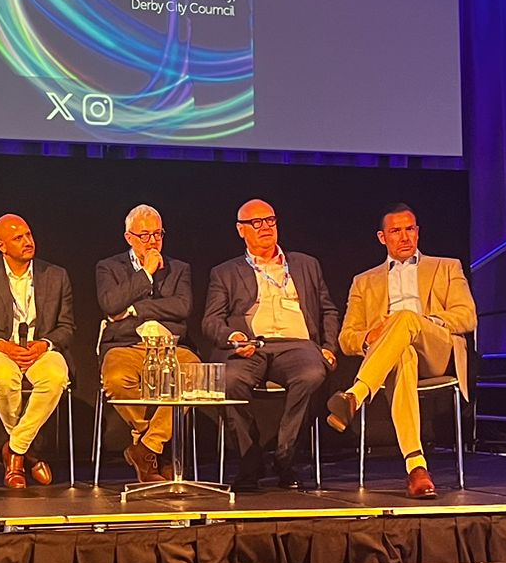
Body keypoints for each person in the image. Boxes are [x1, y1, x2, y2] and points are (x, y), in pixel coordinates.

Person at [326, 205, 478, 499]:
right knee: (404, 354)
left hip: (436, 350)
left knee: (405, 317)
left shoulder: (447, 267)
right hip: (393, 358)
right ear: (382, 237)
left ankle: (356, 395)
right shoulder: (364, 281)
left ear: (418, 232)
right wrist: (371, 336)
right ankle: (416, 467)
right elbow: (346, 338)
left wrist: (421, 321)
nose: (405, 237)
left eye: (410, 229)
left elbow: (467, 316)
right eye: (396, 231)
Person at [201, 199, 339, 490]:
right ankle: (250, 460)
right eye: (256, 223)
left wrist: (328, 346)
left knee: (312, 375)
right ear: (241, 230)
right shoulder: (225, 272)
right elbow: (211, 320)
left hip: (297, 345)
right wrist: (233, 338)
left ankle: (285, 457)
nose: (265, 227)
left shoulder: (306, 264)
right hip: (251, 347)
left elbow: (328, 310)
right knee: (229, 380)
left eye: (270, 220)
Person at [0, 216, 75, 488]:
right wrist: (1, 345)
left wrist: (44, 344)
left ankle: (14, 450)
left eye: (28, 235)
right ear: (2, 245)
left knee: (55, 377)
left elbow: (67, 328)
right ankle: (28, 452)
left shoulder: (56, 275)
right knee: (3, 377)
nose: (27, 242)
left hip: (40, 349)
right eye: (18, 238)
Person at [97, 204, 196, 485]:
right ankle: (154, 445)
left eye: (158, 234)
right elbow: (110, 304)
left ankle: (146, 449)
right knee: (116, 380)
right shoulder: (109, 267)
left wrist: (134, 309)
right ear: (129, 237)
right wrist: (146, 273)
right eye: (145, 236)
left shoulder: (179, 269)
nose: (153, 242)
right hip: (126, 345)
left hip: (170, 345)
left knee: (194, 374)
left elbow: (182, 308)